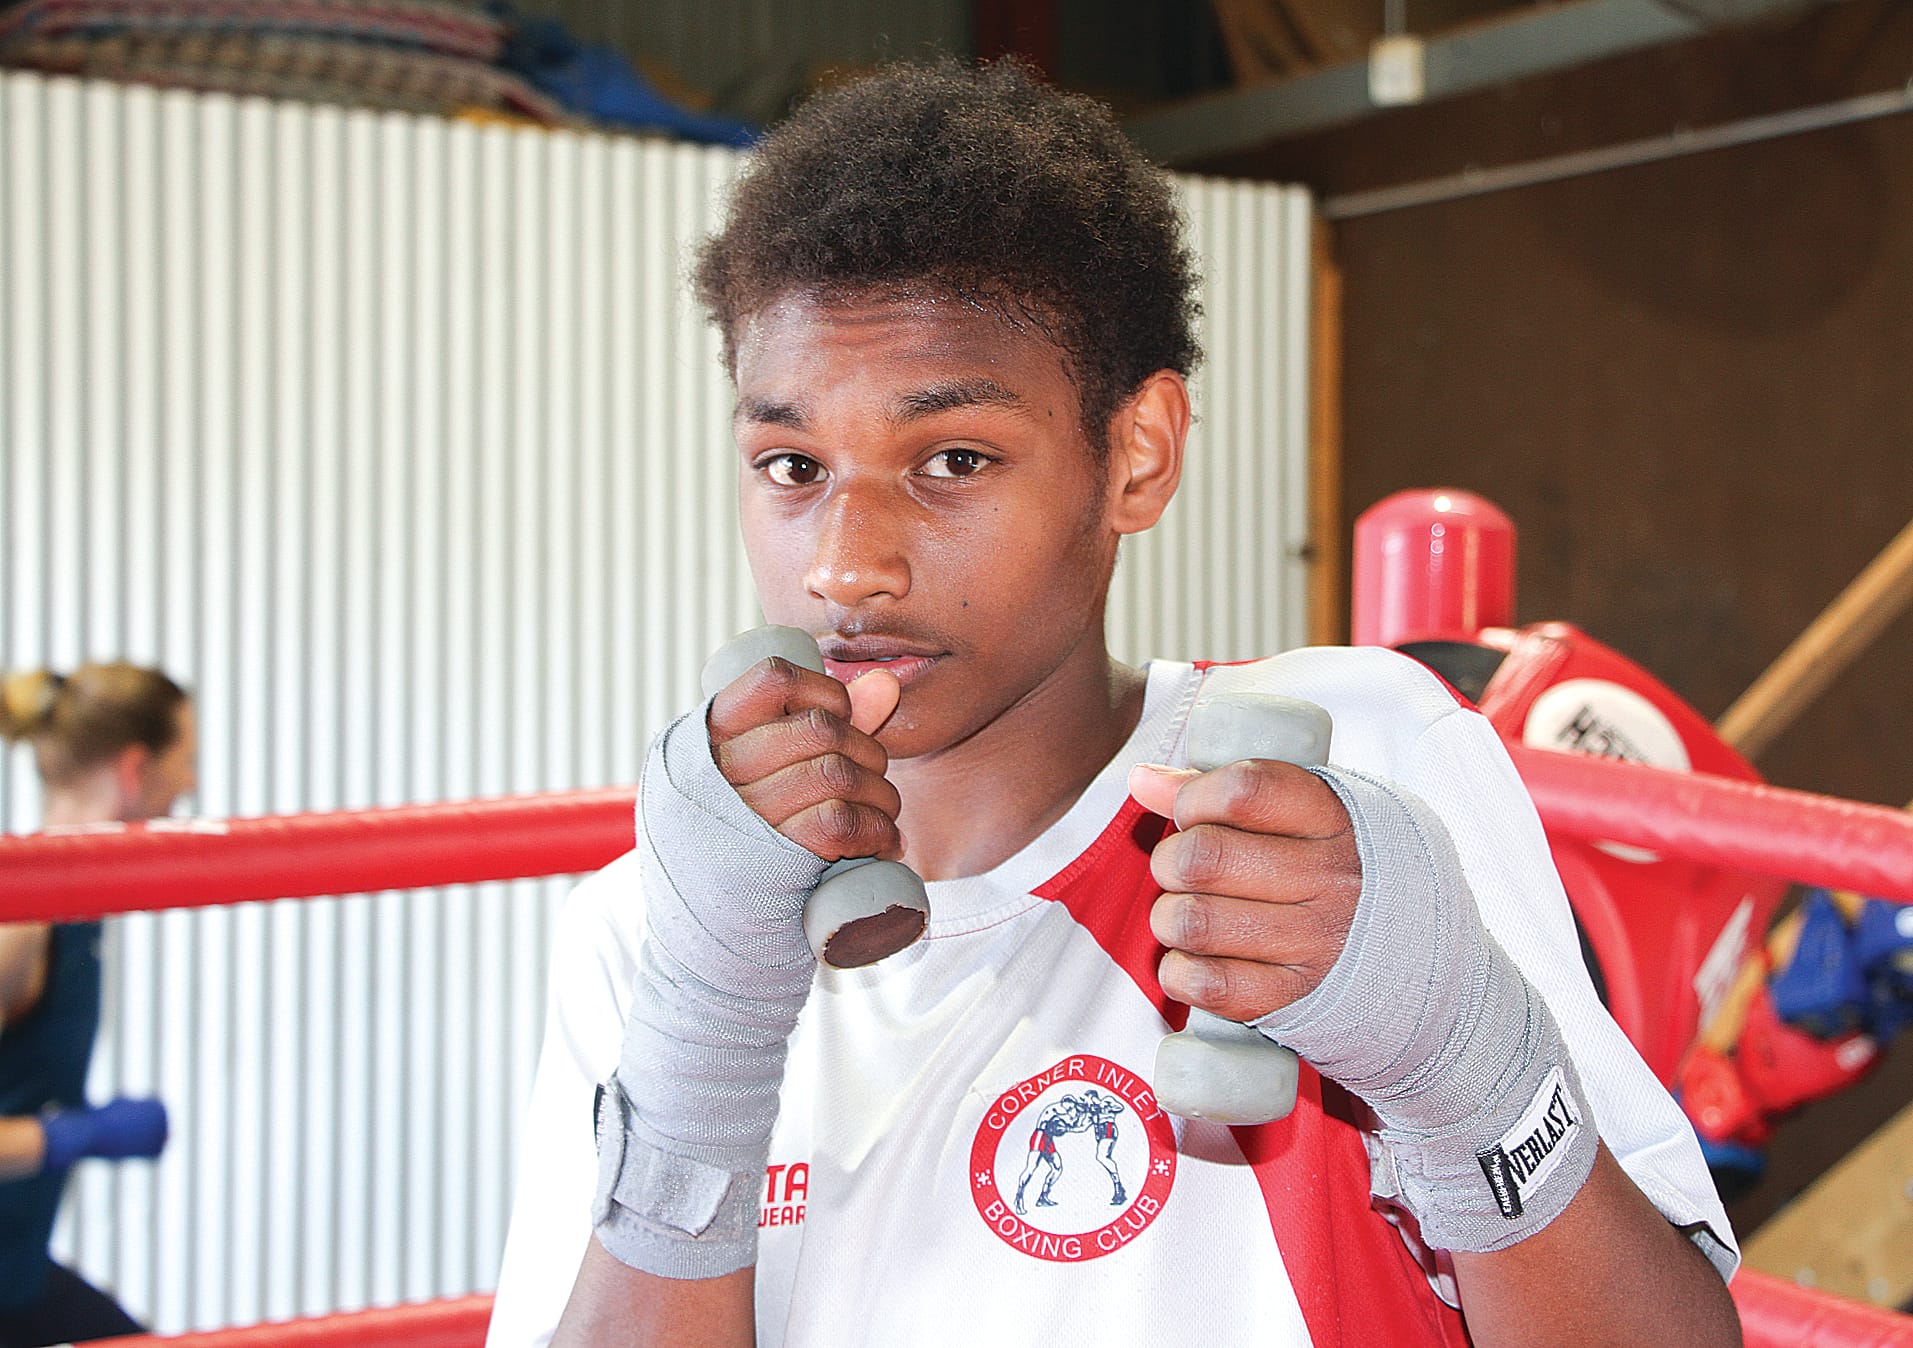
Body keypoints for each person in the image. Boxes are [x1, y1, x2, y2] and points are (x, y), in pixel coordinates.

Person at [489, 59, 1743, 1347]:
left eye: (953, 459)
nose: (841, 564)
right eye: (791, 464)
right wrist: (708, 1018)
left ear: (1136, 454)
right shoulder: (653, 927)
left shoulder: (1342, 780)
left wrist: (1457, 1059)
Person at [0, 664, 185, 1347]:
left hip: (15, 1276)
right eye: (183, 762)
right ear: (134, 770)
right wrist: (76, 1135)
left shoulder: (71, 903)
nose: (190, 786)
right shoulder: (23, 923)